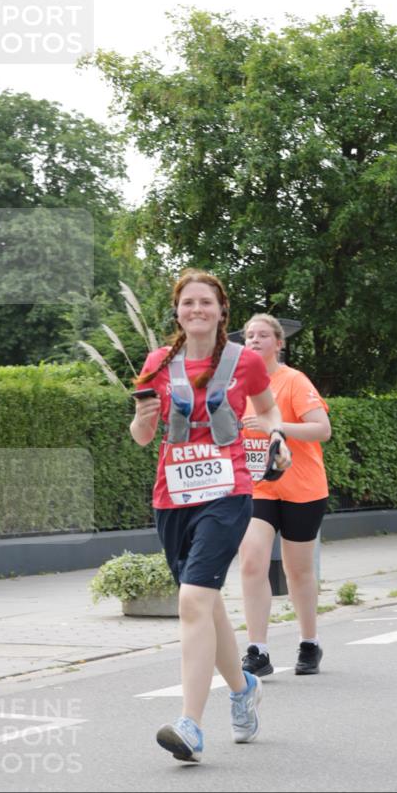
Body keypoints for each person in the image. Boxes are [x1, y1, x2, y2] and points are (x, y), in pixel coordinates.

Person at [130, 271, 291, 762]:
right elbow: (141, 436)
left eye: (206, 302)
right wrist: (144, 415)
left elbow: (266, 412)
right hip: (172, 498)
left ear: (222, 311)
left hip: (228, 493)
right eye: (187, 303)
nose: (196, 309)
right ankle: (243, 689)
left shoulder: (245, 363)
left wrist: (277, 437)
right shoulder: (157, 363)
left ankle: (191, 725)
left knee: (195, 599)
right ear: (177, 311)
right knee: (205, 603)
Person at [239, 314, 332, 676]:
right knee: (251, 560)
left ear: (279, 343)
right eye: (249, 336)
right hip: (257, 486)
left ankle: (309, 642)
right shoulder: (236, 386)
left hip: (302, 487)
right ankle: (257, 650)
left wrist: (274, 427)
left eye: (263, 335)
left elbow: (321, 429)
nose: (255, 340)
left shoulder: (293, 381)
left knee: (298, 570)